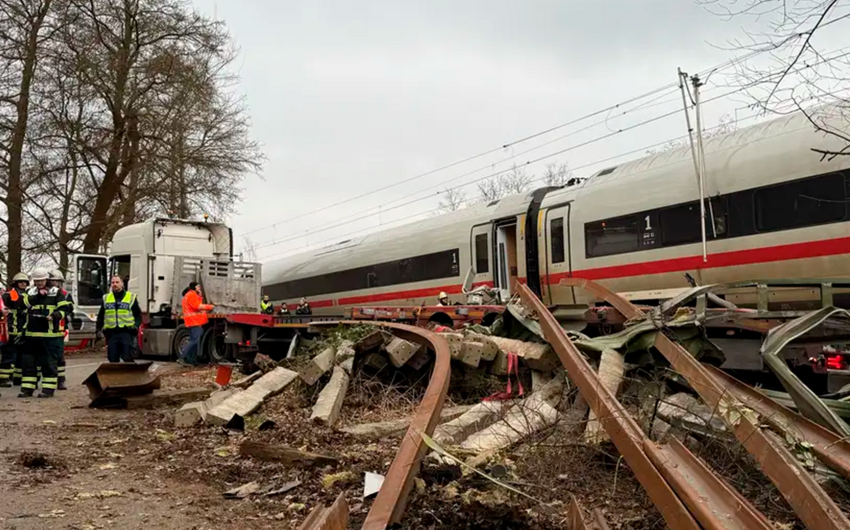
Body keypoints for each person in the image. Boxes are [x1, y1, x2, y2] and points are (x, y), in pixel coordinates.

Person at [20, 268, 66, 398]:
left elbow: (65, 309)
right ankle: (27, 389)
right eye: (37, 280)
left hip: (49, 335)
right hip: (31, 335)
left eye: (42, 280)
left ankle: (48, 389)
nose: (39, 283)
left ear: (47, 279)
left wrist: (55, 315)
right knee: (28, 363)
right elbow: (21, 304)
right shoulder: (30, 291)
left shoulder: (56, 292)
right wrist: (37, 296)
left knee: (47, 363)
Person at [96, 275, 142, 363]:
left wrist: (135, 326)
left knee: (127, 357)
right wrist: (98, 330)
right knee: (112, 359)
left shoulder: (131, 297)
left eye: (117, 282)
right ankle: (115, 377)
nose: (115, 284)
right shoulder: (106, 298)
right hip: (112, 333)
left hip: (126, 332)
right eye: (113, 282)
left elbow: (138, 315)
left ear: (122, 284)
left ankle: (129, 376)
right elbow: (101, 316)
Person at [0, 272, 29, 388]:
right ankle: (3, 379)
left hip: (24, 330)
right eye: (20, 282)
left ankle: (18, 378)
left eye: (25, 282)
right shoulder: (8, 295)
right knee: (9, 355)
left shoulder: (29, 295)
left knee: (21, 356)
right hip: (11, 330)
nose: (23, 284)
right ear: (15, 283)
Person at [48, 270, 73, 390]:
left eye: (57, 281)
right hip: (46, 328)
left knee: (60, 355)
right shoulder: (44, 293)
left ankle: (61, 380)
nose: (55, 283)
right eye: (52, 281)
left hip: (61, 327)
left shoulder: (65, 294)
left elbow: (69, 309)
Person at [179, 281, 213, 366]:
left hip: (192, 321)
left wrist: (200, 295)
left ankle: (191, 360)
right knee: (194, 341)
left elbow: (197, 303)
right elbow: (197, 306)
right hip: (195, 321)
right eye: (198, 286)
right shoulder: (191, 295)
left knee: (194, 341)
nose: (199, 287)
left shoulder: (189, 296)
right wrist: (210, 307)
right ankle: (182, 357)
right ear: (194, 287)